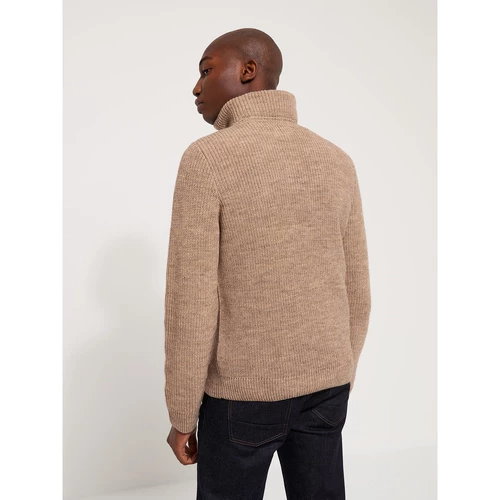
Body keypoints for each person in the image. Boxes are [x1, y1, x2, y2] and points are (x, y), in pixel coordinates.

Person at [164, 27, 371, 499]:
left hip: (242, 399)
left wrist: (182, 414)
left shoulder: (207, 159)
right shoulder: (336, 160)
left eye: (206, 70)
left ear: (248, 71)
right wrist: (339, 374)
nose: (196, 87)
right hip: (327, 389)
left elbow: (191, 301)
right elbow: (357, 290)